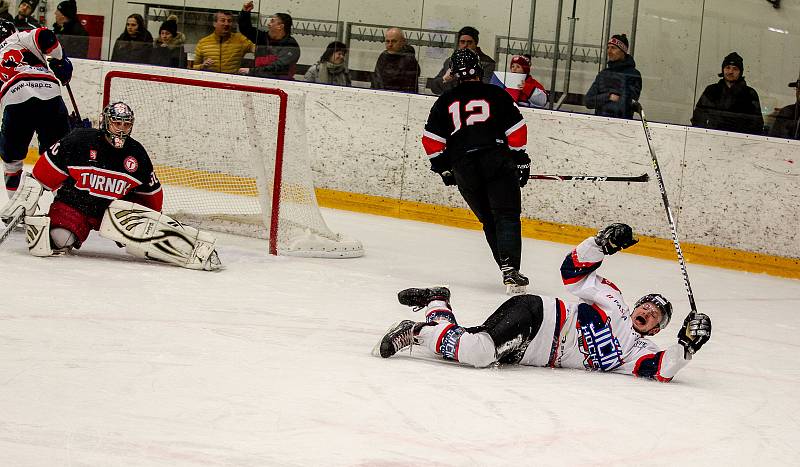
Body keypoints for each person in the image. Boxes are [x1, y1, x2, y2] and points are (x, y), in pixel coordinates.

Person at [376, 223, 713, 382]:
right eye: (647, 304)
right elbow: (572, 271)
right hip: (539, 317)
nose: (648, 310)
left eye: (657, 315)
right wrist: (600, 244)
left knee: (468, 344)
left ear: (655, 329)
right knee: (478, 353)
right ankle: (415, 331)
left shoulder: (638, 352)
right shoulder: (614, 301)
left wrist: (687, 345)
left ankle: (438, 303)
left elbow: (661, 371)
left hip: (533, 355)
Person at [0, 101, 222, 271]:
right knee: (58, 240)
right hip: (75, 205)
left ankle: (191, 249)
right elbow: (41, 175)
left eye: (126, 124)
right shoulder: (79, 141)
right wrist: (27, 199)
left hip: (114, 212)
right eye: (117, 123)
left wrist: (149, 227)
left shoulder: (136, 154)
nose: (122, 129)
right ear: (106, 122)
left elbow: (151, 197)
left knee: (142, 247)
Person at [422, 48, 531, 292]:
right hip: (496, 161)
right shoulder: (496, 94)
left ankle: (506, 269)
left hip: (464, 168)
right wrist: (520, 159)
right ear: (479, 70)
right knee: (506, 215)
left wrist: (444, 168)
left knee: (490, 221)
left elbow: (431, 140)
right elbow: (516, 130)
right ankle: (511, 270)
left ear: (455, 74)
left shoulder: (445, 101)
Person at [0, 19, 71, 199]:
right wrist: (60, 59)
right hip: (49, 95)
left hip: (14, 100)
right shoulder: (19, 37)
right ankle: (65, 207)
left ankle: (14, 206)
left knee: (12, 162)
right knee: (58, 157)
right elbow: (45, 35)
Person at [691, 52, 763, 135]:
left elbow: (757, 123)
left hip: (739, 141)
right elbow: (698, 116)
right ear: (723, 69)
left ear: (740, 72)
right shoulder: (711, 91)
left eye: (735, 69)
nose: (731, 71)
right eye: (727, 67)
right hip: (712, 138)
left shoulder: (749, 94)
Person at [584, 33, 642, 119]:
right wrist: (609, 96)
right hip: (599, 123)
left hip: (622, 124)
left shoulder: (633, 74)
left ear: (623, 51)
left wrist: (601, 98)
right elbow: (588, 101)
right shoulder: (603, 74)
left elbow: (625, 105)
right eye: (608, 47)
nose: (609, 51)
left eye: (613, 48)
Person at [237, 2, 300, 80]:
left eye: (272, 21)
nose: (268, 24)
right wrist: (245, 12)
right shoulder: (263, 37)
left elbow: (278, 68)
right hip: (258, 79)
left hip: (281, 83)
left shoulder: (291, 45)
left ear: (280, 26)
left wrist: (251, 71)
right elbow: (245, 29)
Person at [430, 26, 496, 95]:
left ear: (475, 44)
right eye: (462, 42)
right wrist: (444, 79)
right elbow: (434, 88)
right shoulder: (450, 61)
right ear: (458, 43)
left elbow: (486, 90)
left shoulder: (487, 63)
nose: (465, 45)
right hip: (452, 101)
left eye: (469, 42)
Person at [370, 27, 419, 93]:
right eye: (387, 41)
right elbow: (376, 80)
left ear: (403, 42)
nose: (390, 45)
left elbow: (406, 86)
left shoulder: (409, 59)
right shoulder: (383, 55)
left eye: (394, 41)